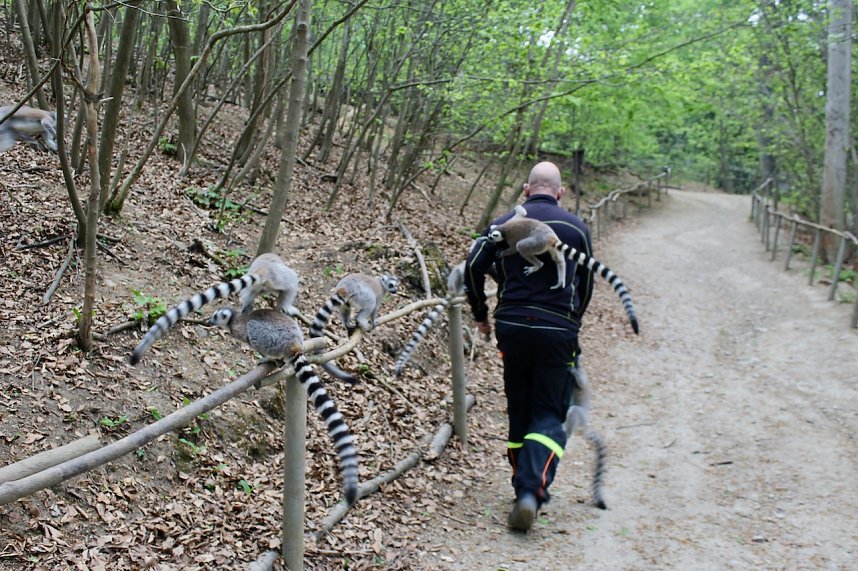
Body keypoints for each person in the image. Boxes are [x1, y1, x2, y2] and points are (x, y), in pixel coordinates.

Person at [464, 161, 594, 533]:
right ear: (560, 192)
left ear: (525, 190)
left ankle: (522, 481)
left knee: (520, 404)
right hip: (558, 330)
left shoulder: (503, 224)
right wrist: (573, 321)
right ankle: (529, 491)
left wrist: (480, 313)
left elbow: (474, 264)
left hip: (513, 326)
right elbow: (584, 284)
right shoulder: (576, 228)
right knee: (550, 411)